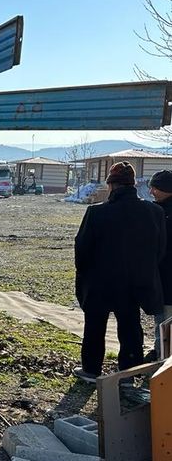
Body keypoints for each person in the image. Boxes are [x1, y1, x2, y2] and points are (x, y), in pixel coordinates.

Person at [72, 161, 166, 383]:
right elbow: (159, 250)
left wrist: (84, 275)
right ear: (132, 184)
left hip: (99, 282)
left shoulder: (96, 213)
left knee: (95, 326)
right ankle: (128, 372)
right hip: (134, 282)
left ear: (112, 185)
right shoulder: (154, 212)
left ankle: (91, 370)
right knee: (131, 327)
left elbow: (82, 249)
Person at [148, 170, 172, 361]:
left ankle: (162, 360)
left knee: (164, 322)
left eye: (155, 188)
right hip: (164, 277)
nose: (151, 192)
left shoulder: (160, 213)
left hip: (166, 279)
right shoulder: (160, 210)